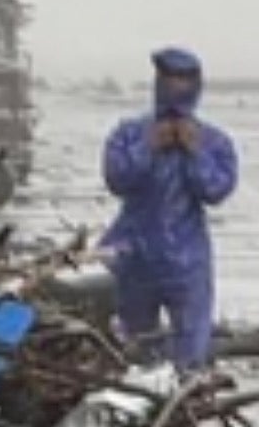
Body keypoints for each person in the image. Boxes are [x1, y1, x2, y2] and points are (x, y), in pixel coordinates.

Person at [102, 47, 239, 372]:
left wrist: (195, 153)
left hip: (187, 260)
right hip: (134, 253)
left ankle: (183, 405)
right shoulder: (129, 133)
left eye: (182, 79)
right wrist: (148, 147)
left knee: (191, 352)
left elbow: (216, 190)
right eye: (167, 78)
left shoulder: (214, 141)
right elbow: (117, 179)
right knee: (133, 350)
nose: (173, 86)